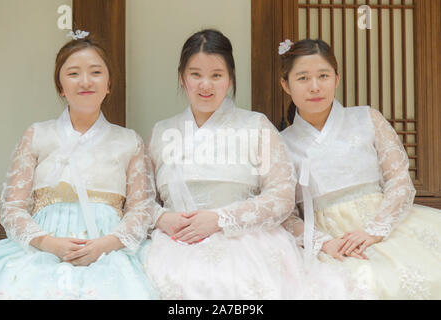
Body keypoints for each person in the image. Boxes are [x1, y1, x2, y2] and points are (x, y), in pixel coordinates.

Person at [140, 29, 369, 300]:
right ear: (182, 77)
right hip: (172, 246)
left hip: (246, 247)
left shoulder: (256, 125)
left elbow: (282, 197)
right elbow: (140, 202)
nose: (206, 85)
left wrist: (219, 220)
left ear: (230, 79)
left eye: (216, 75)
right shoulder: (161, 131)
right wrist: (164, 219)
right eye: (195, 74)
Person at [0, 35, 158, 299]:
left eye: (95, 72)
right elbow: (12, 208)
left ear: (109, 84)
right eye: (73, 73)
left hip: (110, 252)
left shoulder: (129, 141)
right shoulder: (37, 135)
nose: (85, 81)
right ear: (60, 86)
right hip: (41, 252)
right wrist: (48, 243)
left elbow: (141, 210)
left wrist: (104, 245)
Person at [279, 38, 441, 299]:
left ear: (337, 78)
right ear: (285, 84)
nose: (315, 86)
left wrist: (375, 230)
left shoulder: (367, 118)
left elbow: (399, 180)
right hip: (331, 242)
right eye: (303, 78)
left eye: (323, 75)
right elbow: (285, 214)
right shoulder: (282, 144)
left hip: (387, 225)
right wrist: (323, 243)